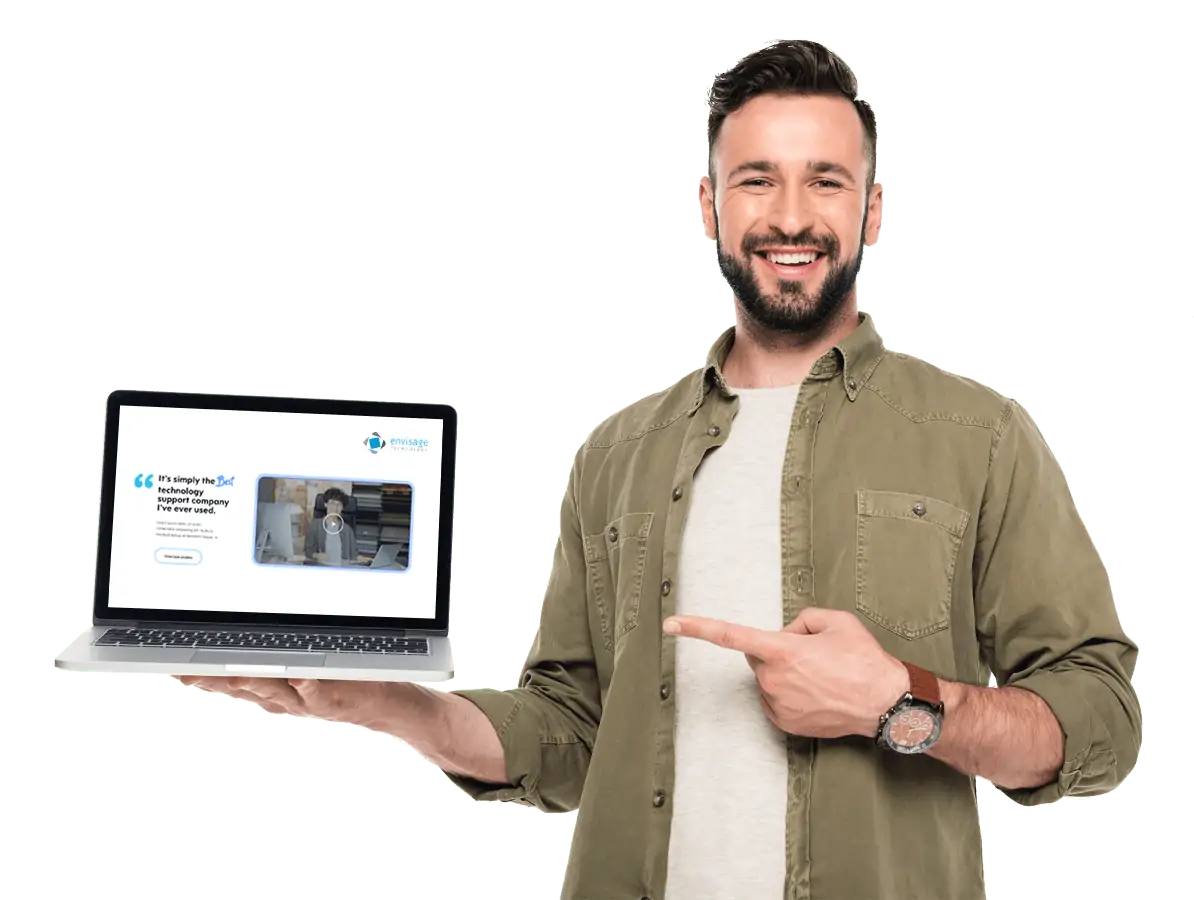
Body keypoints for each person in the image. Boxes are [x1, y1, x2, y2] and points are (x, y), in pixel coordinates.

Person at [173, 39, 1142, 900]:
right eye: (757, 180)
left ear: (875, 208)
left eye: (827, 181)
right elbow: (570, 735)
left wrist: (902, 703)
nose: (791, 216)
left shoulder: (981, 436)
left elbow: (1101, 718)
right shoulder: (617, 453)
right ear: (708, 204)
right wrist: (398, 707)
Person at [303, 487, 358, 566]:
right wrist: (317, 555)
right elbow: (308, 551)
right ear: (326, 504)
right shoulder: (315, 525)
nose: (335, 508)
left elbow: (354, 556)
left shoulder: (347, 530)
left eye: (338, 504)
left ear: (342, 508)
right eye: (332, 503)